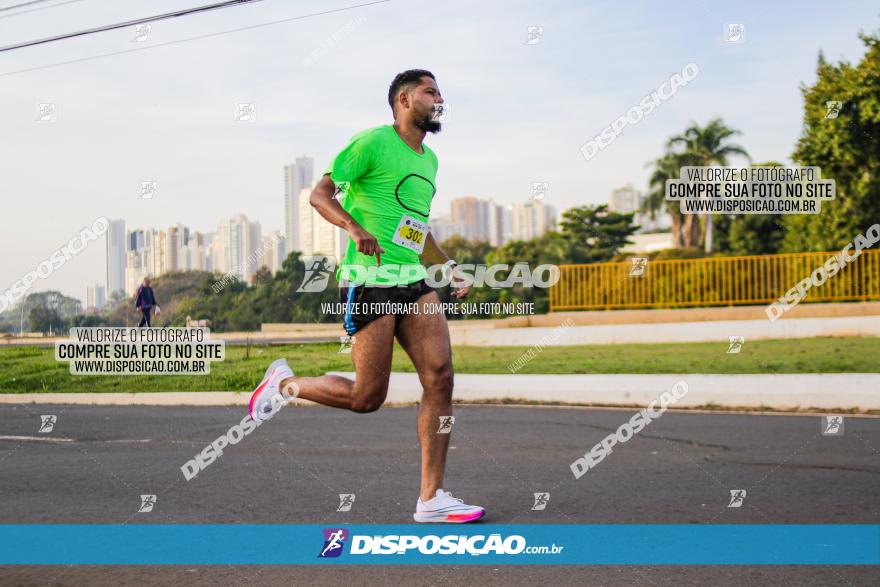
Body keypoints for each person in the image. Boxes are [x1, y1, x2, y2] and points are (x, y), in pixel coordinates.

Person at [249, 69, 484, 523]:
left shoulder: (429, 161)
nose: (439, 99)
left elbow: (417, 228)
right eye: (430, 91)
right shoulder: (373, 142)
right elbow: (319, 195)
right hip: (369, 278)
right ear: (403, 99)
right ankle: (282, 383)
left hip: (413, 279)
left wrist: (447, 264)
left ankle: (431, 498)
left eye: (440, 92)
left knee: (440, 377)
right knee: (366, 397)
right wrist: (353, 227)